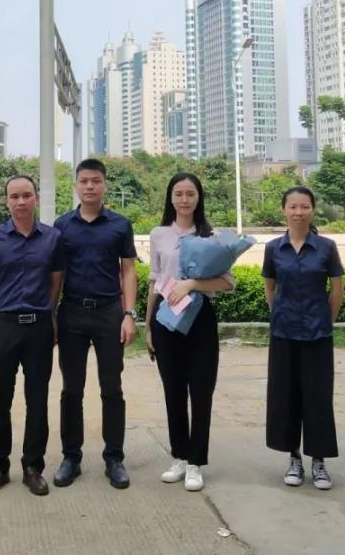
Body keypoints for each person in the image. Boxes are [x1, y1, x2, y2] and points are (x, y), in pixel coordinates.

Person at [0, 175, 64, 497]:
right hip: (5, 326)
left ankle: (32, 467)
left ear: (36, 198)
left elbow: (56, 281)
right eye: (15, 196)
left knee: (37, 398)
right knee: (1, 396)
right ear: (6, 201)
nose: (21, 201)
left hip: (39, 326)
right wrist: (0, 307)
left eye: (26, 195)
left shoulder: (52, 238)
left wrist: (48, 312)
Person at [52, 158, 138, 490]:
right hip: (72, 313)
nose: (90, 186)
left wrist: (128, 314)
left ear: (104, 185)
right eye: (84, 181)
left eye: (96, 181)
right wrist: (51, 314)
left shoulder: (120, 225)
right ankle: (70, 457)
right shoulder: (62, 225)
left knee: (111, 388)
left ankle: (114, 458)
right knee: (71, 389)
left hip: (108, 313)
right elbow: (56, 275)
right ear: (76, 185)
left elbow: (128, 270)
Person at [145, 172, 235, 492]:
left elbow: (227, 282)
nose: (184, 199)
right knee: (173, 390)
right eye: (179, 194)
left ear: (199, 198)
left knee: (200, 390)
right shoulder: (159, 234)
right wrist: (148, 326)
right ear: (170, 198)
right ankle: (179, 457)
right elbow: (155, 281)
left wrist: (192, 284)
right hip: (166, 317)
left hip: (200, 317)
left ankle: (196, 462)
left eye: (190, 194)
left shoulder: (212, 236)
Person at [262, 186, 344, 490]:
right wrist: (281, 313)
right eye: (293, 207)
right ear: (284, 210)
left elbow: (337, 290)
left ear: (313, 209)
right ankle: (294, 458)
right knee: (286, 396)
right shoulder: (273, 248)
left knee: (318, 396)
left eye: (304, 206)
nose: (299, 212)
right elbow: (270, 288)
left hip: (317, 334)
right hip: (283, 333)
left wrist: (325, 320)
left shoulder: (326, 247)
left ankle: (319, 461)